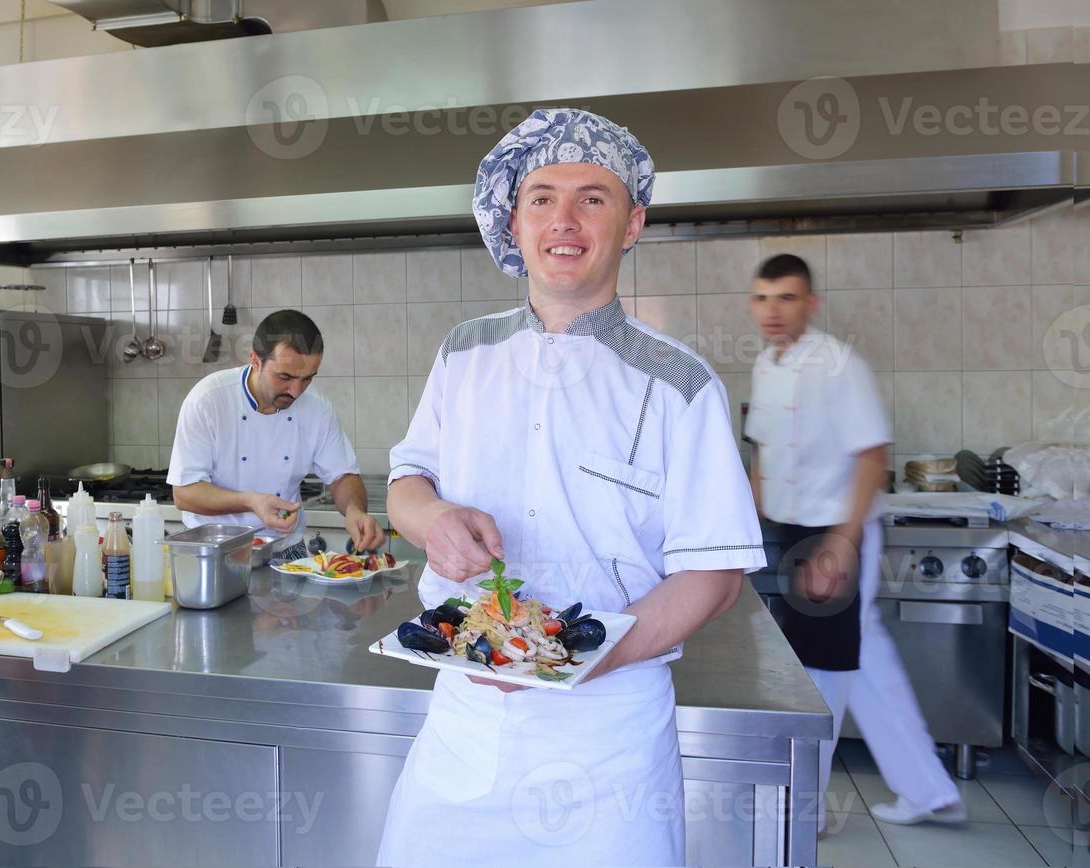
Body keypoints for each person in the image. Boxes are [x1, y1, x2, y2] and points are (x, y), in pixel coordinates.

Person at [376, 109, 765, 865]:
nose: (564, 218)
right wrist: (433, 519)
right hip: (462, 721)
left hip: (606, 743)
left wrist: (571, 659)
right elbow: (405, 482)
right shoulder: (463, 352)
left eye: (593, 198)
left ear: (632, 224)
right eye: (541, 197)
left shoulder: (679, 383)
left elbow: (714, 577)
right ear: (515, 223)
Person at [746, 253, 964, 827]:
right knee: (862, 661)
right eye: (763, 298)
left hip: (836, 531)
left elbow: (873, 458)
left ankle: (805, 806)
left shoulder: (841, 366)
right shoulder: (767, 365)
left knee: (820, 667)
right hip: (795, 533)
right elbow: (763, 454)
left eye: (787, 298)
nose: (773, 311)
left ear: (811, 303)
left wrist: (840, 543)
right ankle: (928, 790)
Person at [168, 309, 383, 558]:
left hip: (286, 551)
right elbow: (184, 494)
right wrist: (252, 502)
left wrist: (355, 510)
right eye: (285, 377)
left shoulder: (317, 408)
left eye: (307, 379)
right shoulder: (208, 400)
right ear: (255, 360)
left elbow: (342, 476)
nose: (296, 391)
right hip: (214, 553)